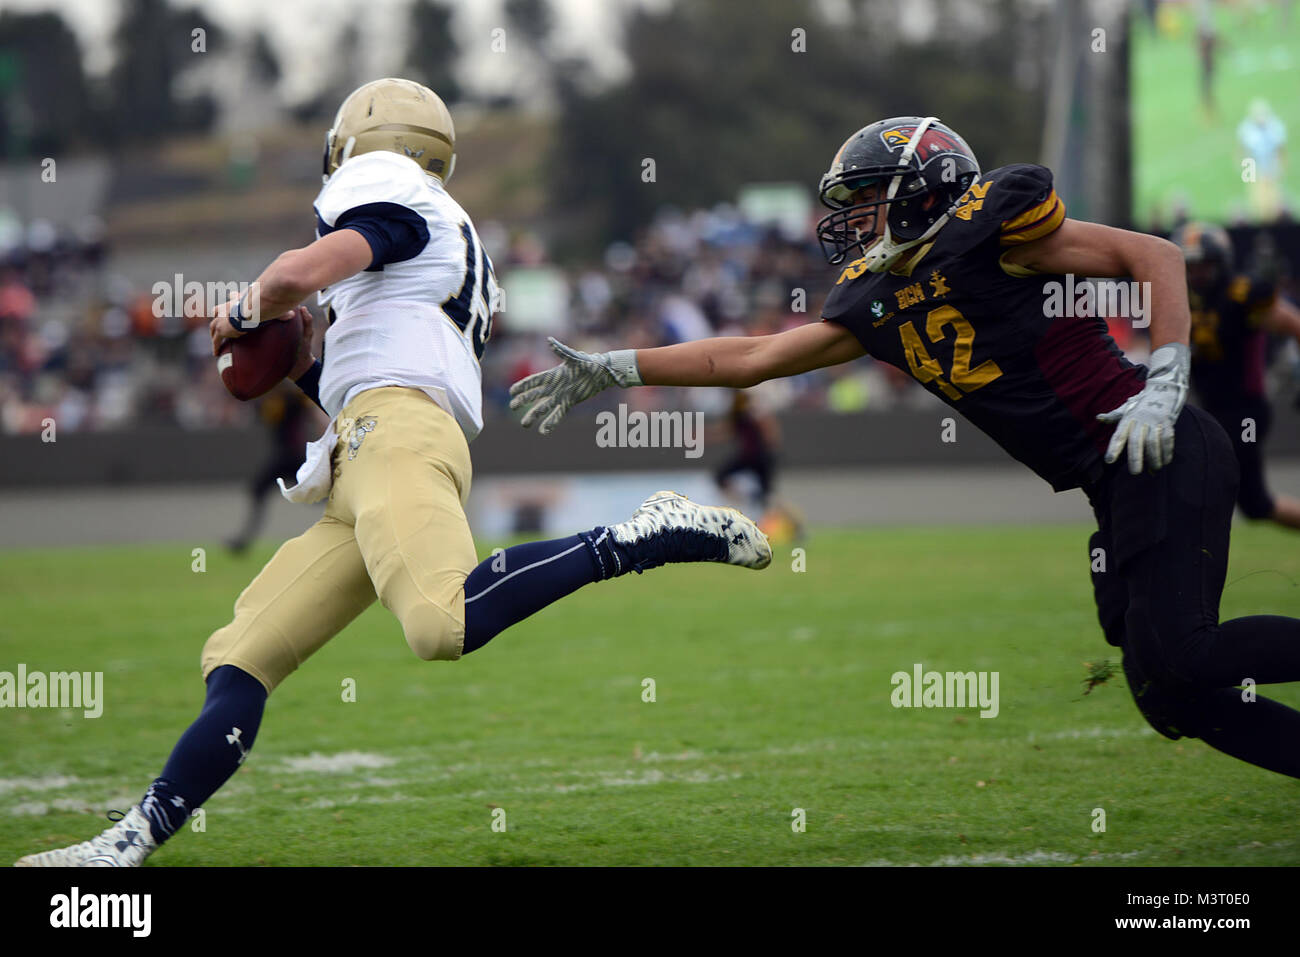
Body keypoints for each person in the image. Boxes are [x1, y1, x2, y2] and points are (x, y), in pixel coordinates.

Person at [15, 78, 770, 868]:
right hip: (368, 447)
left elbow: (310, 269)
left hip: (396, 439)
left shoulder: (383, 183)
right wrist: (306, 366)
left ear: (360, 144)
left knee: (440, 623)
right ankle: (125, 845)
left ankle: (641, 535)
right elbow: (375, 366)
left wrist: (247, 307)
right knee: (241, 655)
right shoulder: (442, 230)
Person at [512, 115, 1300, 778]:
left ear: (923, 190)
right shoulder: (876, 298)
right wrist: (618, 367)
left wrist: (1164, 379)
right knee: (1169, 696)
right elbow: (750, 357)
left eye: (863, 199)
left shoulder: (998, 235)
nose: (849, 219)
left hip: (1156, 442)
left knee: (1186, 658)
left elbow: (1153, 256)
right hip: (1112, 478)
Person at [1174, 221, 1300, 530]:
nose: (1197, 273)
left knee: (1200, 478)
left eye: (1204, 265)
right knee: (1256, 506)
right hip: (1212, 411)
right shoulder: (1185, 298)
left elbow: (1295, 324)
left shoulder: (1242, 294)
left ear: (1221, 262)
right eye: (1190, 266)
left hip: (1246, 413)